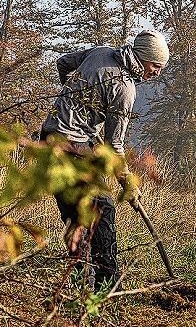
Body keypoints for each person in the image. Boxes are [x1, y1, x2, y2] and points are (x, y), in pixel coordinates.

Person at [41, 29, 170, 292]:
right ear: (143, 57)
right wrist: (127, 184)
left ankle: (77, 280)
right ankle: (106, 283)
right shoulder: (124, 88)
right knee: (104, 209)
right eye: (155, 66)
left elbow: (63, 63)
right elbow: (115, 145)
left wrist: (73, 102)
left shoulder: (99, 52)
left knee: (75, 213)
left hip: (49, 136)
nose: (156, 72)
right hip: (71, 145)